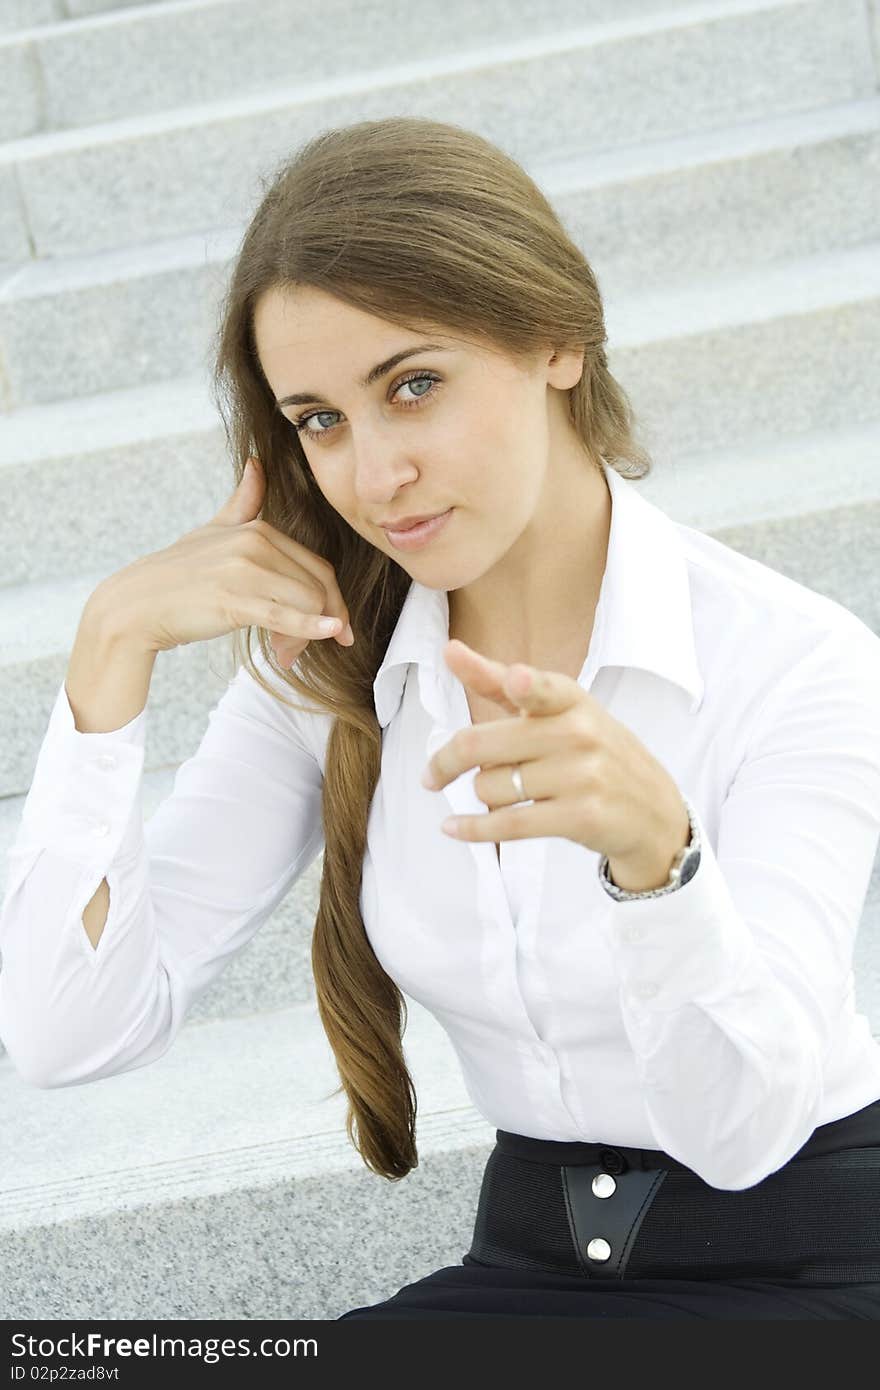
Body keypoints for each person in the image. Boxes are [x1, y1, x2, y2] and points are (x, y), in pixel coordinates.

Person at [2, 116, 880, 1321]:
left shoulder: (796, 661)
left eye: (412, 386)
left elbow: (742, 1132)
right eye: (320, 420)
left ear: (557, 339)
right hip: (529, 1270)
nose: (373, 474)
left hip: (811, 1267)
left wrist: (659, 865)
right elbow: (67, 1034)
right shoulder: (327, 676)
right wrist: (104, 661)